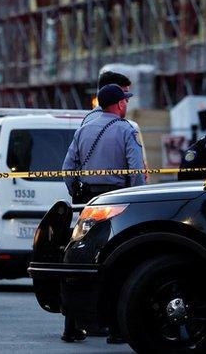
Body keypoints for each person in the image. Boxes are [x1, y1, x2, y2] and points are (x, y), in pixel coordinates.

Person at [59, 84, 146, 343]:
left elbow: (67, 169)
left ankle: (72, 325)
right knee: (119, 259)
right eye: (125, 101)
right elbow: (136, 171)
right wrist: (139, 200)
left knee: (80, 259)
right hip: (116, 201)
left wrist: (78, 192)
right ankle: (116, 329)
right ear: (119, 104)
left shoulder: (84, 129)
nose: (126, 105)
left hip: (89, 200)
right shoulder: (126, 129)